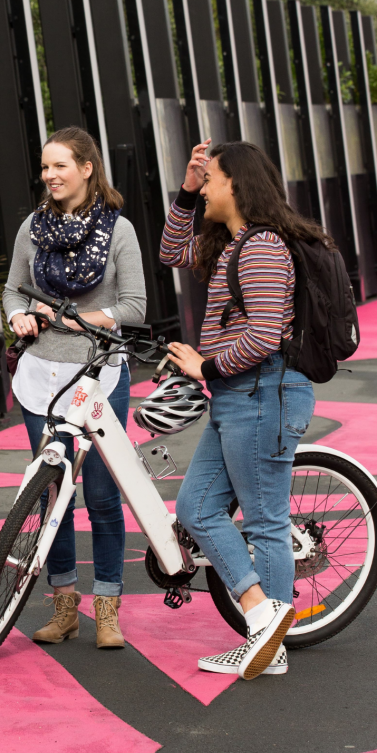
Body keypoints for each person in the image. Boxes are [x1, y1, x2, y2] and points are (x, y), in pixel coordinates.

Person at [160, 138, 320, 681]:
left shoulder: (263, 247)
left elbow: (265, 335)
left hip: (262, 392)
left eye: (210, 180)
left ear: (236, 184)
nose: (205, 188)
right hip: (239, 396)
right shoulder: (230, 244)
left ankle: (269, 646)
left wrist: (205, 366)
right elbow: (171, 252)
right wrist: (186, 190)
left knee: (265, 522)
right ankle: (262, 620)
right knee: (197, 508)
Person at [3, 127, 146, 650]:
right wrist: (18, 316)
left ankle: (107, 608)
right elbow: (12, 290)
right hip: (39, 375)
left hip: (99, 375)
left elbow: (135, 307)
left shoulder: (119, 230)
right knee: (51, 490)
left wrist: (78, 320)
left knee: (103, 496)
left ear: (87, 168)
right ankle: (64, 606)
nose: (49, 175)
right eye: (45, 167)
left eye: (59, 165)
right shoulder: (33, 228)